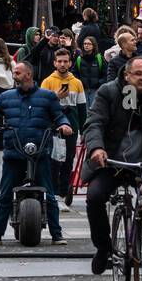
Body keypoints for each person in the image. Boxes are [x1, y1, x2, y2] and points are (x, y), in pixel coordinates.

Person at [81, 56, 142, 273]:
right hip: (111, 162)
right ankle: (103, 248)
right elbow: (94, 122)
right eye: (138, 74)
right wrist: (97, 148)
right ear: (126, 75)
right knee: (95, 197)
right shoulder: (108, 92)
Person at [0, 61, 72, 245]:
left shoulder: (47, 97)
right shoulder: (6, 97)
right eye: (14, 73)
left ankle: (57, 234)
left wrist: (64, 124)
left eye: (17, 72)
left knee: (50, 195)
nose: (14, 76)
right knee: (5, 195)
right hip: (13, 154)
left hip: (40, 154)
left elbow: (59, 115)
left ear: (28, 74)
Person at [42, 47, 87, 208]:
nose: (62, 64)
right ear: (54, 63)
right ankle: (53, 193)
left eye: (65, 61)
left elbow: (82, 109)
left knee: (68, 161)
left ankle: (63, 192)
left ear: (70, 63)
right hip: (53, 129)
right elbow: (42, 105)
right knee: (54, 161)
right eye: (59, 61)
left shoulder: (77, 83)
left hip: (72, 128)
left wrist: (84, 131)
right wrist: (56, 97)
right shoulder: (48, 81)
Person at [72, 35, 108, 109]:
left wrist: (99, 83)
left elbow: (106, 74)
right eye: (85, 44)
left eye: (89, 44)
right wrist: (79, 82)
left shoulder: (99, 58)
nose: (86, 45)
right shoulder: (79, 59)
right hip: (83, 90)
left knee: (95, 110)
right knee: (84, 111)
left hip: (96, 89)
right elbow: (74, 73)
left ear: (93, 45)